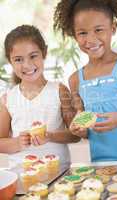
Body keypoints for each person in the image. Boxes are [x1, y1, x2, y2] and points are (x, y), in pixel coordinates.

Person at [54, 0, 117, 162]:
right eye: (82, 33)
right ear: (74, 35)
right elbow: (84, 121)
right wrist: (79, 129)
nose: (91, 39)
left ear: (113, 28)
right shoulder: (75, 79)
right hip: (101, 165)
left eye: (98, 30)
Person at [0, 24, 80, 167]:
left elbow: (75, 134)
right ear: (10, 61)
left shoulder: (59, 91)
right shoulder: (7, 99)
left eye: (33, 56)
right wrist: (17, 142)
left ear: (44, 53)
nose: (27, 65)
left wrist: (50, 136)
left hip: (59, 174)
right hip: (21, 175)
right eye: (18, 59)